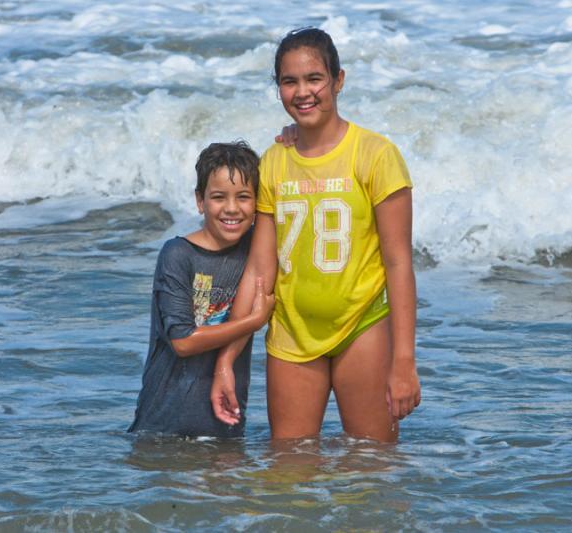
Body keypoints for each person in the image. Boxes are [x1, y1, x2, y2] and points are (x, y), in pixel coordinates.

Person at [210, 28, 420, 443]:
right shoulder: (273, 162)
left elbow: (398, 262)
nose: (302, 92)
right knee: (287, 476)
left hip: (362, 328)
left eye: (314, 79)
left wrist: (404, 362)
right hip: (290, 333)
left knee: (371, 469)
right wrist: (226, 361)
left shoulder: (376, 155)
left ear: (338, 80)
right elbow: (260, 267)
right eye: (289, 82)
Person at [129, 141, 274, 437]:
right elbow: (182, 341)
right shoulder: (178, 255)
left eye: (244, 197)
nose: (232, 208)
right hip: (162, 427)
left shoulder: (256, 253)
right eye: (219, 197)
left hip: (226, 428)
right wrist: (253, 322)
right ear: (200, 200)